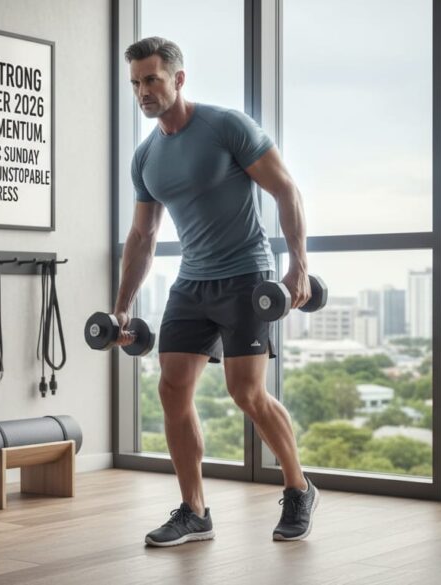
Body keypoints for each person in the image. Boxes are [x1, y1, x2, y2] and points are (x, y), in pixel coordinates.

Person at [115, 37, 319, 546]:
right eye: (136, 83)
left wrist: (298, 265)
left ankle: (298, 488)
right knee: (171, 388)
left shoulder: (226, 126)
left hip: (246, 277)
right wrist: (121, 308)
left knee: (245, 392)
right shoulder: (146, 157)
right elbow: (142, 235)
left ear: (178, 79)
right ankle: (194, 510)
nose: (143, 91)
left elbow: (285, 188)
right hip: (192, 282)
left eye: (152, 80)